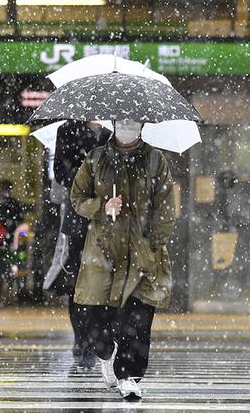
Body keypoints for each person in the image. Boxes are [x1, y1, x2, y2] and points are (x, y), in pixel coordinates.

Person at [70, 120, 175, 400]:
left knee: (138, 320)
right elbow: (77, 198)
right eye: (122, 122)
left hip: (142, 255)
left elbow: (165, 209)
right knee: (89, 317)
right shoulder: (95, 159)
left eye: (133, 122)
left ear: (142, 126)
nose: (127, 127)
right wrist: (102, 206)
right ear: (114, 125)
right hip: (102, 253)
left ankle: (130, 376)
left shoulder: (155, 160)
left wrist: (151, 244)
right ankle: (106, 352)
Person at [51, 120, 108, 369]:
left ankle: (96, 336)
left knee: (102, 279)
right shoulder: (67, 130)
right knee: (76, 280)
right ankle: (81, 337)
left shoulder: (111, 134)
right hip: (78, 215)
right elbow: (61, 173)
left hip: (106, 216)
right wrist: (85, 172)